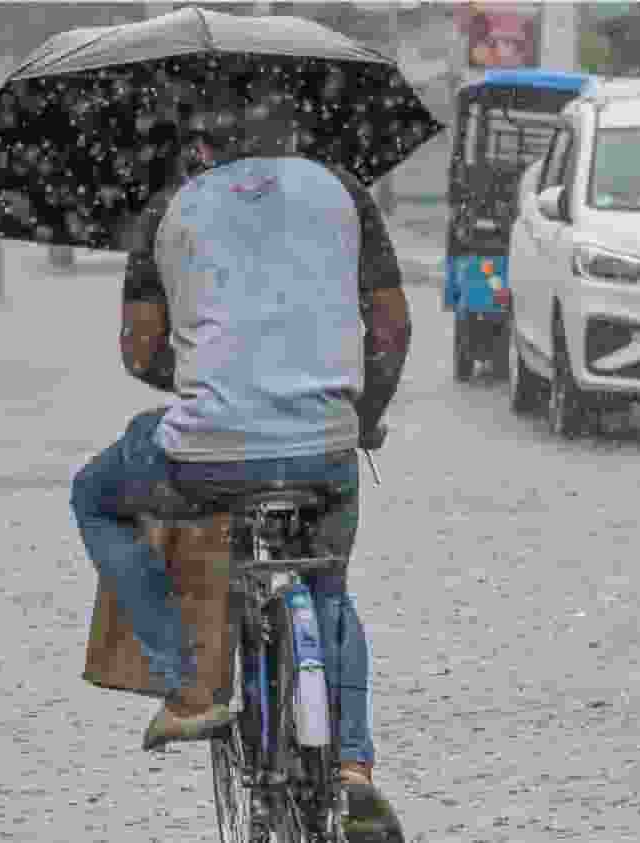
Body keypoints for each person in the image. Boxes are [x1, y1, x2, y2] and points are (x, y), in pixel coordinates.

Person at [69, 88, 412, 838]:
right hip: (325, 448)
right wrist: (366, 416)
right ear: (294, 129)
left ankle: (190, 680)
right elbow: (391, 324)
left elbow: (139, 350)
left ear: (201, 142)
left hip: (209, 459)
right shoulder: (342, 192)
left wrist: (207, 377)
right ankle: (354, 766)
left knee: (95, 495)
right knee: (329, 588)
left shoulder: (171, 208)